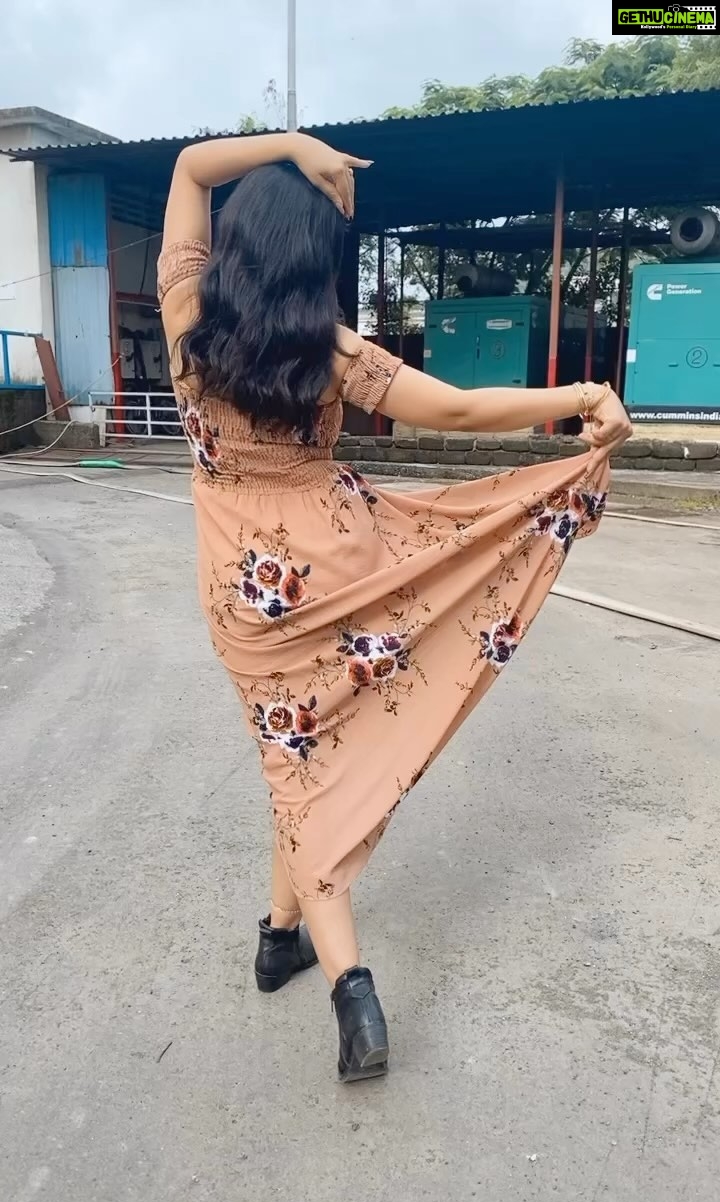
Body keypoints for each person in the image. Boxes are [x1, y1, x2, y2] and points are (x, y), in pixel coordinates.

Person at [158, 131, 632, 1084]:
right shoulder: (331, 351)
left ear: (235, 243)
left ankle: (351, 985)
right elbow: (454, 409)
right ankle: (277, 936)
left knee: (295, 762)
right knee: (302, 758)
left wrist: (295, 147)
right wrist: (586, 391)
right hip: (346, 567)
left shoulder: (186, 315)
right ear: (316, 259)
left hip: (245, 588)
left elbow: (189, 168)